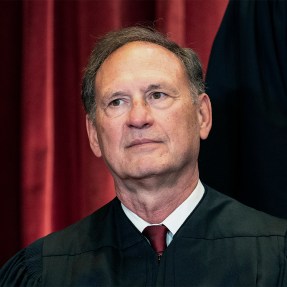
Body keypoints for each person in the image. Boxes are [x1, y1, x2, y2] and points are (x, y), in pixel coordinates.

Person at [0, 26, 287, 286]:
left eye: (158, 95)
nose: (138, 117)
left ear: (202, 115)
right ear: (93, 134)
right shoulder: (45, 273)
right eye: (117, 101)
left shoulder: (276, 256)